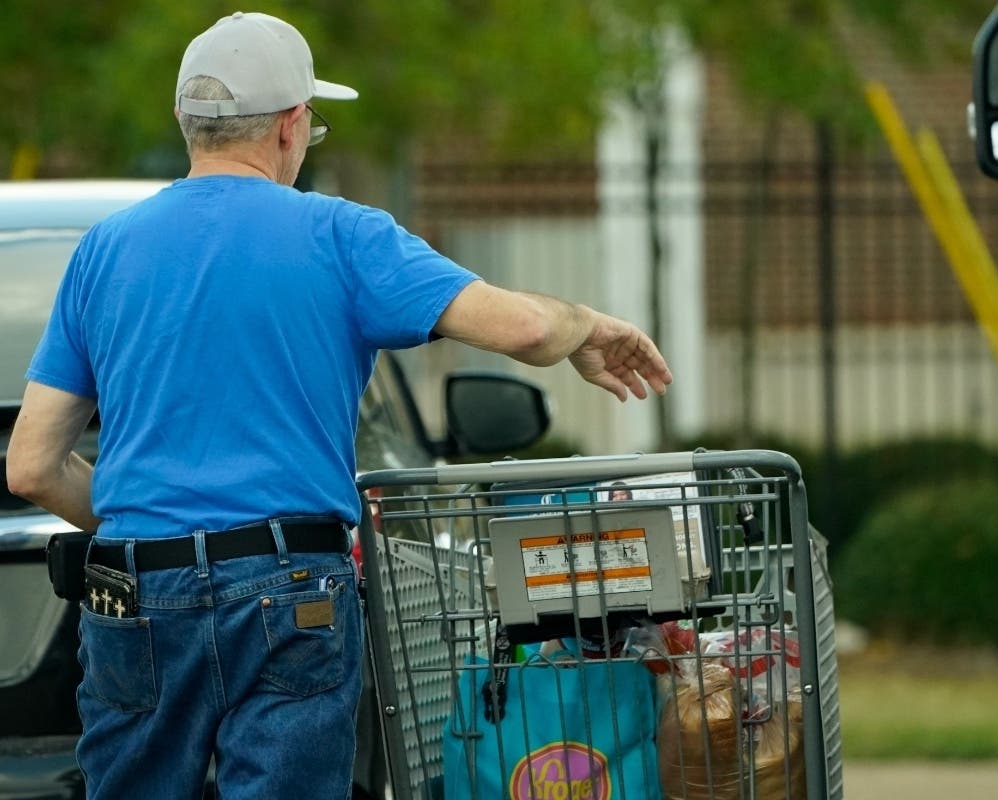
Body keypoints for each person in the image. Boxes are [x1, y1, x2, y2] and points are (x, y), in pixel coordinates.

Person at [4, 11, 672, 800]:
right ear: (291, 126)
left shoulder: (103, 252)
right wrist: (587, 326)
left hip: (137, 594)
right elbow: (524, 327)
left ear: (188, 124)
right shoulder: (343, 236)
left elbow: (32, 467)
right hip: (291, 593)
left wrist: (144, 530)